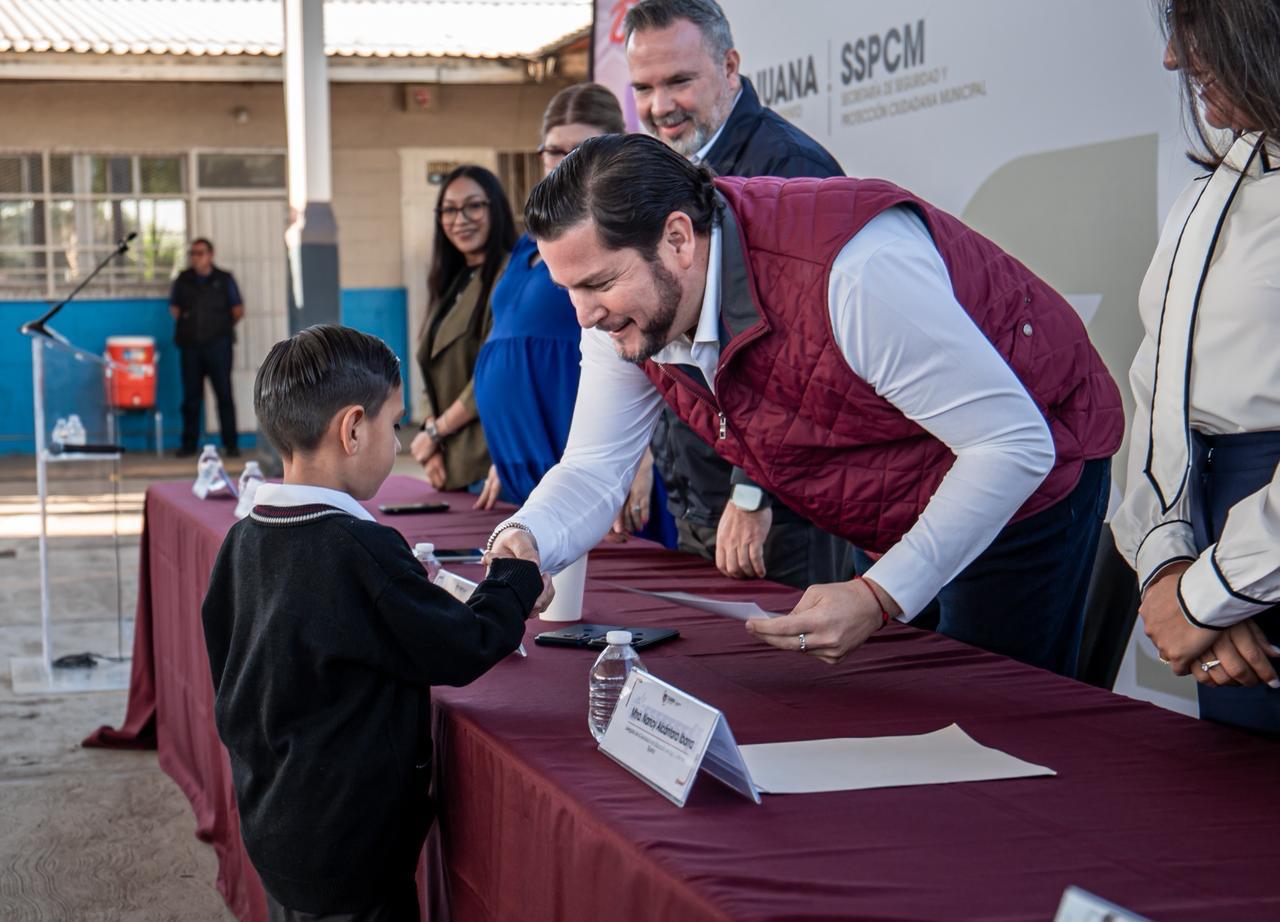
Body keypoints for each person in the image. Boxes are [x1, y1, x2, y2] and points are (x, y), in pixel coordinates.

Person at [489, 134, 1125, 677]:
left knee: (996, 729)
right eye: (567, 287)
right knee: (898, 721)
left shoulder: (853, 273)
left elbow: (1012, 445)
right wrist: (528, 538)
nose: (584, 314)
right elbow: (595, 467)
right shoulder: (624, 310)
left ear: (679, 239)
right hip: (889, 492)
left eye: (599, 283)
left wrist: (878, 593)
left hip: (1025, 485)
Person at [202, 324, 543, 921]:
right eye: (396, 424)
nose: (400, 441)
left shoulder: (241, 542)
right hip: (352, 848)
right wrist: (514, 582)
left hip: (278, 826)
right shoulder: (358, 550)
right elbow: (463, 646)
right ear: (354, 428)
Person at [623, 0, 849, 588]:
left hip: (775, 510)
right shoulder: (672, 169)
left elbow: (814, 350)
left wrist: (753, 491)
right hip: (699, 496)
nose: (659, 106)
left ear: (729, 68)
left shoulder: (791, 168)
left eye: (678, 81)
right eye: (644, 87)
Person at [1112, 0, 1280, 735]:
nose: (1173, 59)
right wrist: (1169, 570)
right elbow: (1158, 395)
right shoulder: (1208, 192)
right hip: (1208, 536)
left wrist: (1210, 593)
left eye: (1191, 21)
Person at [473, 83, 669, 542]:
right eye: (553, 150)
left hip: (592, 433)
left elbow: (659, 346)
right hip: (524, 445)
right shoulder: (527, 247)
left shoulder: (626, 244)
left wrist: (643, 454)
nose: (563, 164)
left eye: (579, 150)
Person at [410, 165, 515, 492]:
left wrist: (435, 432)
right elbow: (433, 370)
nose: (460, 219)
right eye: (450, 210)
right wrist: (433, 438)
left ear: (495, 208)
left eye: (473, 206)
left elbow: (494, 374)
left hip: (488, 464)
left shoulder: (510, 275)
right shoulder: (452, 280)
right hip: (452, 463)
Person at [170, 237, 243, 457]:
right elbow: (174, 308)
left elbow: (238, 309)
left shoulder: (224, 279)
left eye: (200, 253)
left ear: (210, 255)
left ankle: (231, 445)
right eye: (192, 254)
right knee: (191, 398)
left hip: (218, 346)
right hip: (191, 347)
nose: (195, 258)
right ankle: (189, 444)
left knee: (224, 395)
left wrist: (218, 327)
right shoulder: (183, 280)